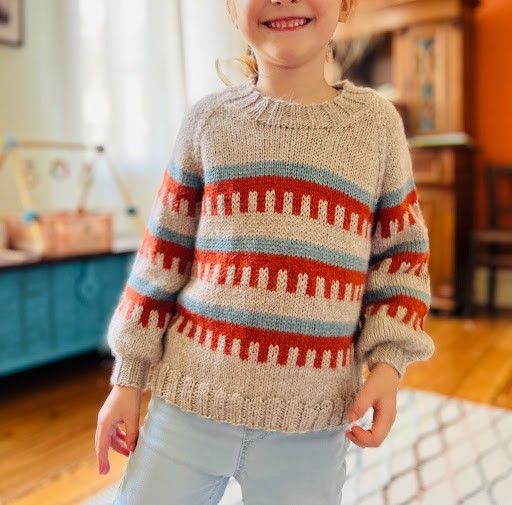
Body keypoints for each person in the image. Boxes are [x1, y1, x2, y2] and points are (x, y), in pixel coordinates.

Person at [95, 0, 436, 503]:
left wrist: (388, 365)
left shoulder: (376, 127)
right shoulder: (207, 122)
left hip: (313, 426)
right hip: (189, 405)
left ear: (344, 5)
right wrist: (127, 379)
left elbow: (401, 258)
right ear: (232, 9)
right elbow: (161, 258)